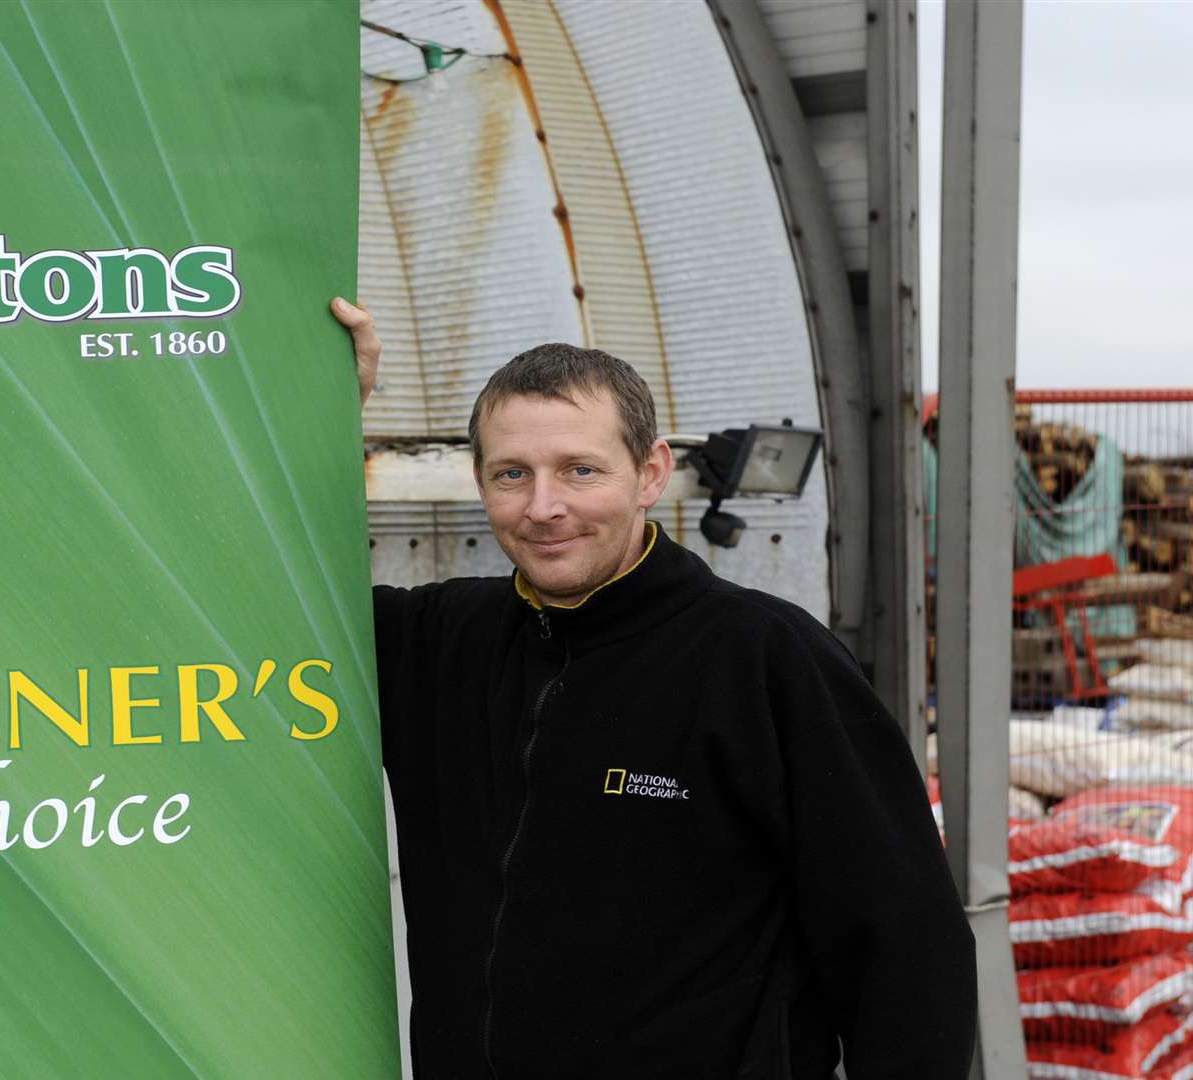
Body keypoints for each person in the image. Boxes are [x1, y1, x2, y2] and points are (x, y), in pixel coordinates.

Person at [329, 297, 976, 1078]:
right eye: (512, 474)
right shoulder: (433, 644)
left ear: (651, 473)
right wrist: (321, 402)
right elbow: (244, 578)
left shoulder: (766, 661)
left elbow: (906, 946)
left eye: (580, 470)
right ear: (479, 480)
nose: (544, 507)